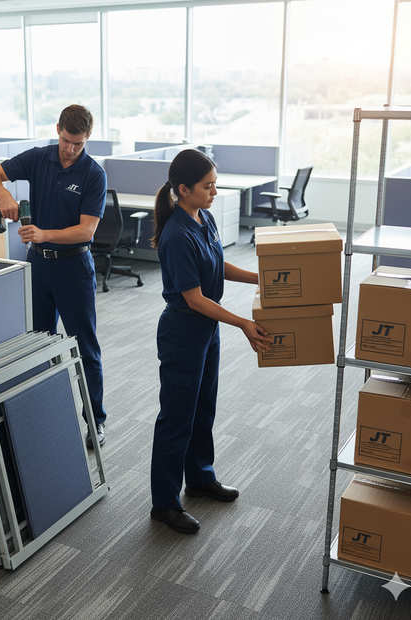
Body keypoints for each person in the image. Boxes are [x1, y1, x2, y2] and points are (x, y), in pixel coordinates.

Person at [149, 148, 271, 534]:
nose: (215, 191)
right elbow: (194, 298)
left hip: (206, 328)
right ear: (184, 190)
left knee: (203, 409)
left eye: (215, 183)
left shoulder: (205, 218)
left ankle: (200, 478)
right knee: (176, 418)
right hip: (184, 329)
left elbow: (218, 263)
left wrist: (260, 278)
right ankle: (164, 503)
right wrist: (243, 324)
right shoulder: (176, 235)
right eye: (208, 186)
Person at [0, 104, 107, 448]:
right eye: (66, 141)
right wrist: (5, 195)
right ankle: (41, 415)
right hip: (38, 266)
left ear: (87, 138)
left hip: (74, 267)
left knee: (85, 346)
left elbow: (86, 231)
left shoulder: (93, 174)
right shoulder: (38, 158)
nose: (70, 150)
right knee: (37, 343)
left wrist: (44, 233)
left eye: (78, 144)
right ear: (58, 130)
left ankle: (95, 420)